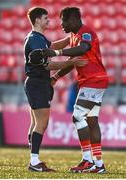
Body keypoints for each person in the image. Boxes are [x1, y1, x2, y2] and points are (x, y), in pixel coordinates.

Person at [43, 7, 109, 173]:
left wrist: (57, 52)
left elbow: (83, 49)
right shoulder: (73, 36)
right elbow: (73, 61)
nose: (62, 24)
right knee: (92, 120)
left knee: (78, 115)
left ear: (74, 19)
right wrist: (56, 78)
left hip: (93, 80)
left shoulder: (86, 32)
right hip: (92, 81)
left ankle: (87, 160)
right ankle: (99, 164)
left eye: (64, 20)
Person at [24, 7, 87, 172]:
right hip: (38, 82)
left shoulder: (38, 38)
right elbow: (47, 65)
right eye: (46, 18)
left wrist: (70, 38)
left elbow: (53, 46)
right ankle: (34, 162)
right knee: (42, 123)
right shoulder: (36, 39)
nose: (49, 20)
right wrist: (71, 62)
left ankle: (34, 159)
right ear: (37, 20)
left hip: (36, 83)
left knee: (35, 122)